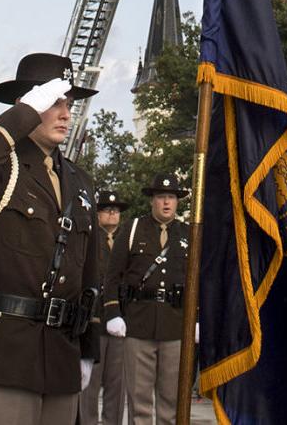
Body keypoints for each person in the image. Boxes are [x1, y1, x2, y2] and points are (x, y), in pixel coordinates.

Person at [0, 52, 100, 424]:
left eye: (68, 103)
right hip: (3, 357)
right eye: (53, 102)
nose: (65, 113)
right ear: (26, 104)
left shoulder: (79, 181)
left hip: (60, 357)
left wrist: (87, 348)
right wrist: (25, 113)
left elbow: (90, 271)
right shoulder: (1, 168)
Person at [104, 176, 189, 425]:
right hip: (138, 325)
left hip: (175, 326)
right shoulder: (132, 229)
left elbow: (199, 279)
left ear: (177, 202)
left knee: (171, 403)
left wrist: (196, 318)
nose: (166, 202)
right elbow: (112, 276)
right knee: (139, 403)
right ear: (152, 200)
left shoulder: (188, 233)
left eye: (171, 197)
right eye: (161, 197)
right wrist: (113, 313)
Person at [81, 190, 131, 425]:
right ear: (97, 213)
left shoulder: (127, 240)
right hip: (95, 320)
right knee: (90, 382)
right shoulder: (90, 239)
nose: (112, 214)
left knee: (117, 383)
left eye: (116, 210)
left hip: (120, 319)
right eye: (107, 210)